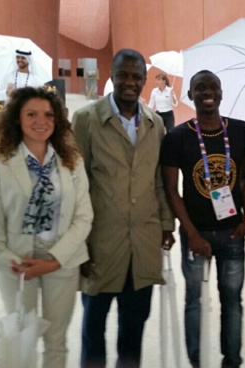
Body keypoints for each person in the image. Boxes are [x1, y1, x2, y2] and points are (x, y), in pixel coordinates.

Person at [71, 48, 175, 368]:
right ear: (112, 77)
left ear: (145, 80)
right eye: (122, 75)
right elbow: (77, 182)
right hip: (101, 241)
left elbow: (158, 179)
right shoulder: (87, 120)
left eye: (136, 76)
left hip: (142, 242)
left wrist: (167, 224)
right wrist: (78, 243)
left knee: (133, 326)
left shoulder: (155, 124)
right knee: (93, 326)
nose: (129, 82)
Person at [0, 87, 93, 368]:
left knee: (56, 341)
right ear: (17, 119)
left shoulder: (72, 162)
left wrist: (55, 261)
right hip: (17, 264)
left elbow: (84, 216)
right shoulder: (0, 162)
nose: (40, 121)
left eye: (48, 115)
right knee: (22, 339)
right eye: (31, 114)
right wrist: (11, 262)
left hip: (62, 260)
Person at [161, 70, 245, 368]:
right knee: (194, 302)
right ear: (190, 95)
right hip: (195, 233)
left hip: (232, 234)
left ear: (222, 93)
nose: (207, 92)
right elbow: (171, 191)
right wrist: (191, 233)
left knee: (232, 303)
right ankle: (197, 361)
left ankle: (232, 362)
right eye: (199, 88)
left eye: (213, 87)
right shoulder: (177, 136)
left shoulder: (240, 131)